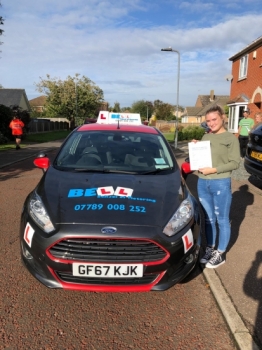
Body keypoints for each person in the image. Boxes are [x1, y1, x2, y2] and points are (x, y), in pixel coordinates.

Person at [195, 105, 240, 268]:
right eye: (208, 121)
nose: (211, 123)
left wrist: (213, 170)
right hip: (202, 182)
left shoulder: (230, 138)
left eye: (214, 119)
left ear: (222, 117)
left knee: (222, 219)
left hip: (220, 182)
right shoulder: (206, 137)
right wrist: (196, 146)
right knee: (208, 219)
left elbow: (235, 163)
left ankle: (220, 253)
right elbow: (203, 156)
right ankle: (210, 248)